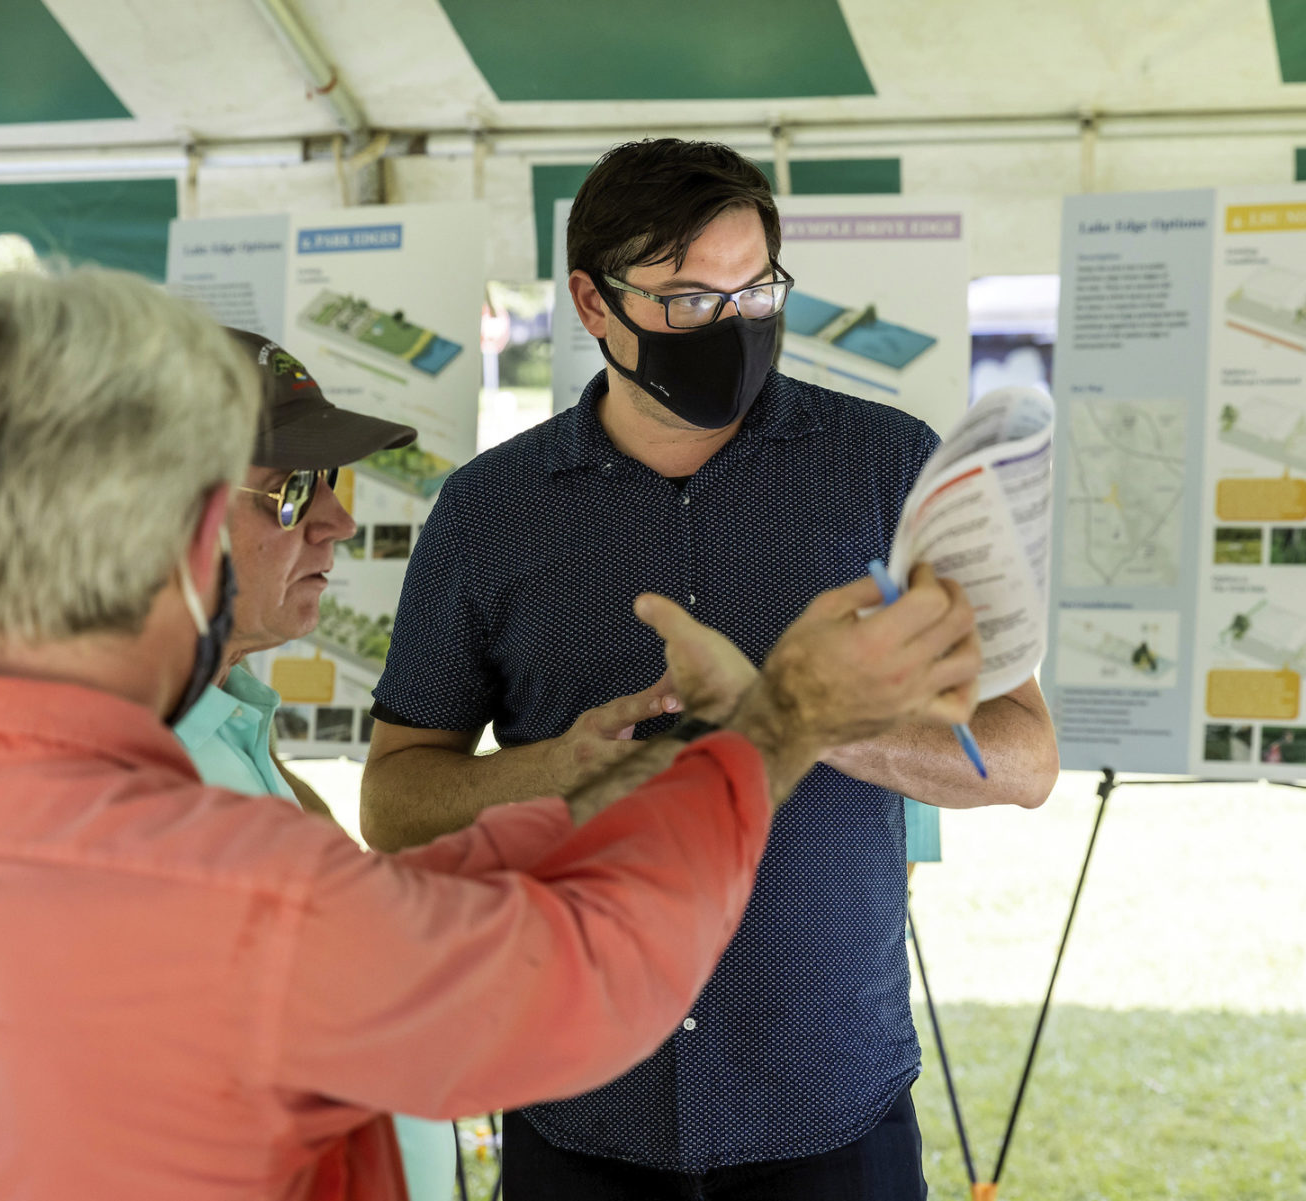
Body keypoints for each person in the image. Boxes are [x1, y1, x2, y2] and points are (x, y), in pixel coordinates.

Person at [0, 265, 986, 1201]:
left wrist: (587, 798)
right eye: (282, 494)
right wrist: (784, 724)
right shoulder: (214, 889)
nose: (337, 522)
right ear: (182, 533)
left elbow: (369, 921)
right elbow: (578, 980)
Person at [361, 139, 1062, 1198]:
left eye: (757, 290)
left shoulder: (885, 468)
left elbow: (1023, 758)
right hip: (583, 1101)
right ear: (594, 306)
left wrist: (807, 715)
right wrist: (555, 769)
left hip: (829, 1108)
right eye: (689, 301)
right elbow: (393, 799)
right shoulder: (489, 512)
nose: (733, 326)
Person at [171, 327, 455, 1199]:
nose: (338, 521)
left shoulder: (229, 730)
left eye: (332, 484)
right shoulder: (138, 787)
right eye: (294, 490)